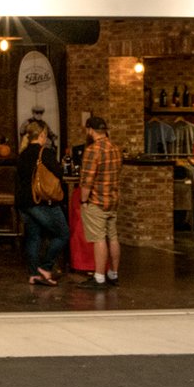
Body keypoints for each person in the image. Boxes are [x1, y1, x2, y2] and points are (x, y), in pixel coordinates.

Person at [16, 117, 67, 284]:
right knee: (63, 234)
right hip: (41, 202)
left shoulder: (22, 154)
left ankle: (33, 274)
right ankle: (45, 268)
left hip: (24, 204)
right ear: (43, 135)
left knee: (33, 238)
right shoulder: (44, 153)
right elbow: (59, 172)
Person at [79, 112, 121, 286]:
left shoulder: (92, 150)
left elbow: (87, 180)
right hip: (112, 199)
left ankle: (99, 277)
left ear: (90, 130)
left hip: (96, 201)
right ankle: (113, 274)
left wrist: (83, 200)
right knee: (113, 237)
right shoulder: (115, 148)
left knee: (99, 238)